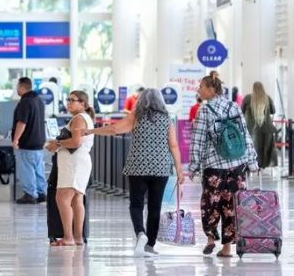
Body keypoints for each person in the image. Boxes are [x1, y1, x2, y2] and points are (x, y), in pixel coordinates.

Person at [88, 88, 184, 256]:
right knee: (155, 207)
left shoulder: (136, 116)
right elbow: (174, 145)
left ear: (141, 100)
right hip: (160, 168)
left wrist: (91, 131)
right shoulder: (166, 119)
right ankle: (150, 246)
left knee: (136, 204)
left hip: (138, 166)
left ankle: (140, 233)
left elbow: (114, 129)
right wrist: (180, 171)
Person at [189, 75, 258, 258]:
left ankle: (211, 238)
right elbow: (245, 135)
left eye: (202, 87)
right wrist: (252, 162)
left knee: (210, 203)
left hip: (214, 166)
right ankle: (227, 248)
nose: (199, 90)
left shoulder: (204, 110)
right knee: (231, 206)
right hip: (237, 165)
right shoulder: (233, 106)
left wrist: (194, 167)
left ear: (212, 89)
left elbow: (198, 141)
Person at [43, 91, 94, 247]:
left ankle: (68, 237)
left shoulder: (79, 119)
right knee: (76, 199)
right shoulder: (82, 118)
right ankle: (77, 237)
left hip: (74, 163)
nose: (69, 103)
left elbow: (76, 142)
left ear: (83, 104)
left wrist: (56, 144)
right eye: (68, 100)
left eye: (73, 100)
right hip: (77, 162)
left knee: (62, 198)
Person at [12, 77, 47, 204]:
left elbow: (22, 122)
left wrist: (16, 139)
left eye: (17, 86)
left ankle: (30, 194)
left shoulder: (25, 102)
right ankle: (42, 192)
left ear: (22, 87)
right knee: (38, 169)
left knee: (26, 168)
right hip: (39, 143)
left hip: (27, 143)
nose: (17, 89)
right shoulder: (38, 101)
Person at [243, 81, 277, 170]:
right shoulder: (267, 98)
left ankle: (252, 166)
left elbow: (241, 110)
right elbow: (273, 111)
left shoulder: (247, 98)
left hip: (251, 129)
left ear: (253, 88)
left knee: (252, 149)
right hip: (266, 128)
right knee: (265, 149)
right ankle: (263, 166)